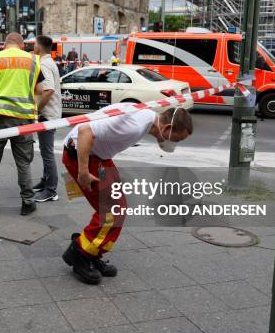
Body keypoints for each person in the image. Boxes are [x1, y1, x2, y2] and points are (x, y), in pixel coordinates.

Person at [61, 106, 193, 284]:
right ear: (167, 128)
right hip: (82, 154)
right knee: (112, 211)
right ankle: (80, 253)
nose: (176, 142)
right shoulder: (135, 125)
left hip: (97, 155)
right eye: (178, 139)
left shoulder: (146, 118)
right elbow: (85, 131)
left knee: (116, 208)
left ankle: (92, 251)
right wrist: (83, 172)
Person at [0, 32, 44, 216]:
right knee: (23, 162)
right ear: (22, 45)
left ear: (5, 45)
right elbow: (40, 90)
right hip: (23, 119)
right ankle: (28, 203)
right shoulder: (32, 60)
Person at [33, 36, 62, 202]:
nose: (34, 46)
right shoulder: (48, 62)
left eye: (35, 44)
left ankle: (51, 190)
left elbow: (49, 90)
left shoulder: (43, 63)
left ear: (39, 47)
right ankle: (45, 182)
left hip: (47, 114)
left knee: (47, 153)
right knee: (46, 152)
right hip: (50, 113)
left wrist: (37, 110)